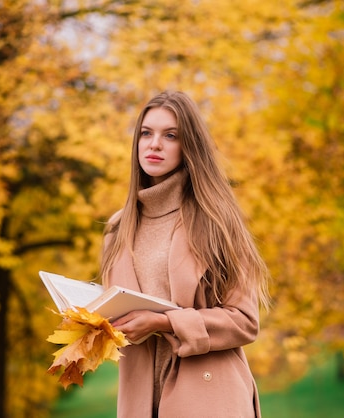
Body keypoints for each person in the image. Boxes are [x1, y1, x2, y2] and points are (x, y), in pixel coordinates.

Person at [100, 90, 269, 418]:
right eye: (146, 133)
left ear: (188, 145)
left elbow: (245, 321)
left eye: (170, 135)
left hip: (210, 398)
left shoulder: (216, 221)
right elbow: (119, 316)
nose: (154, 144)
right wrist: (89, 323)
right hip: (139, 401)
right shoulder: (117, 228)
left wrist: (164, 322)